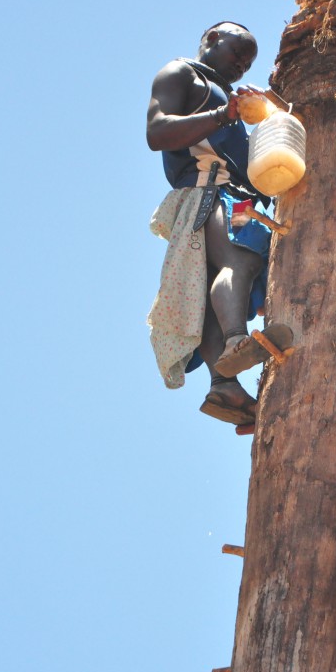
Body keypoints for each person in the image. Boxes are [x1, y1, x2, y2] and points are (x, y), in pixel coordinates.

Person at [145, 21, 274, 426]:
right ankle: (237, 341)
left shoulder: (228, 99)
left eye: (249, 61)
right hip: (211, 192)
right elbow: (157, 132)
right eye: (238, 52)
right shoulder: (182, 73)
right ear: (213, 38)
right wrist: (223, 113)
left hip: (217, 195)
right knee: (241, 261)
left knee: (209, 299)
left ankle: (225, 387)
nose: (241, 65)